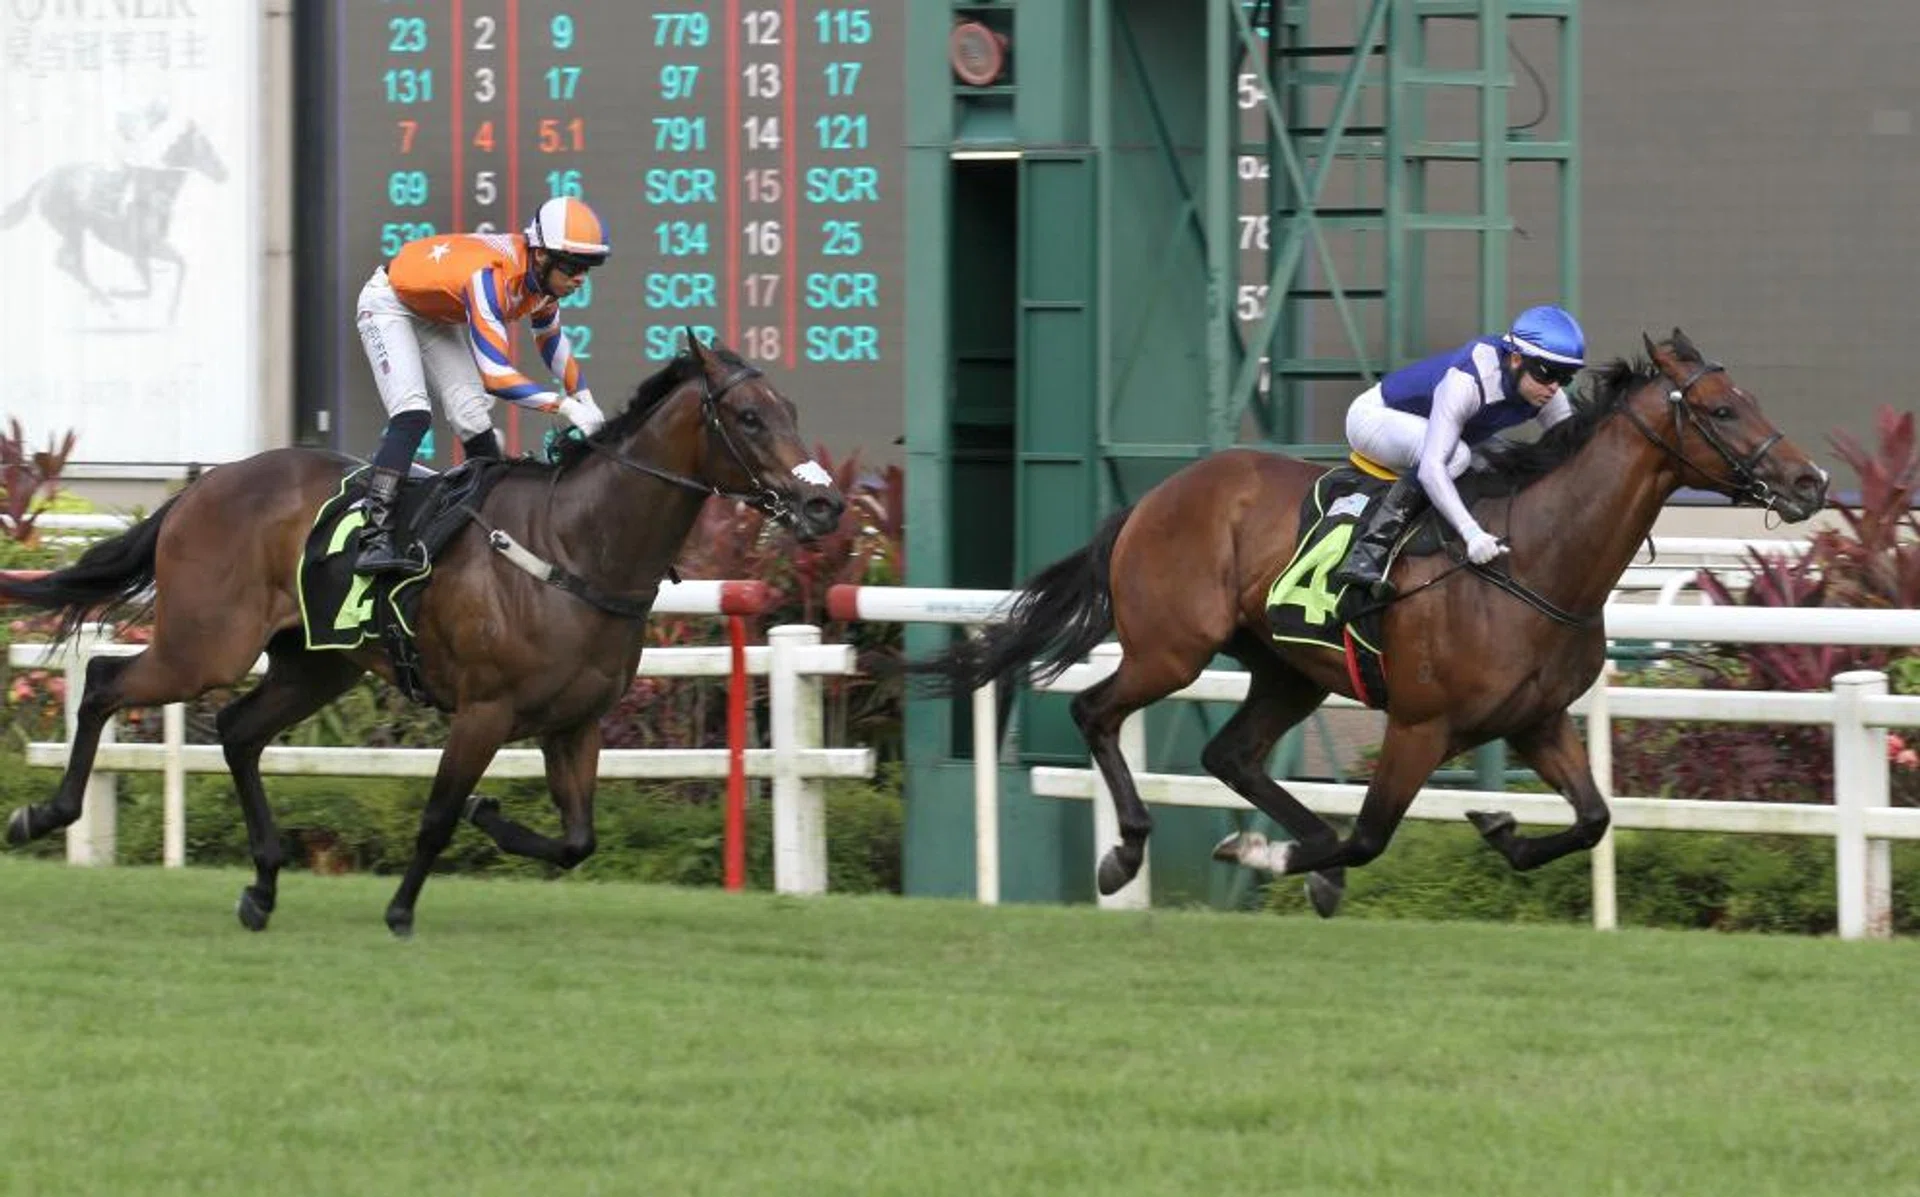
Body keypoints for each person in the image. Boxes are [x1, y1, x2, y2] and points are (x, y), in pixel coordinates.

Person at [352, 195, 612, 574]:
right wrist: (568, 407)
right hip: (388, 302)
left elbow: (552, 342)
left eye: (587, 268)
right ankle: (373, 537)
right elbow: (496, 375)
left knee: (473, 417)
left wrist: (586, 398)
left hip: (434, 312)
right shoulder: (491, 279)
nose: (579, 279)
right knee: (412, 414)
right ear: (541, 255)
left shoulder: (542, 282)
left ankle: (490, 520)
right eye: (572, 267)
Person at [1327, 304, 1586, 599]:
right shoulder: (1468, 381)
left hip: (1439, 429)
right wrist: (1471, 532)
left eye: (1565, 377)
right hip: (1374, 418)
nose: (1554, 387)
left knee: (1503, 460)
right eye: (1547, 374)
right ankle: (1367, 553)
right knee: (1458, 456)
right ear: (1516, 359)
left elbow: (1574, 448)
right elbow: (1431, 468)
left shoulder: (1545, 391)